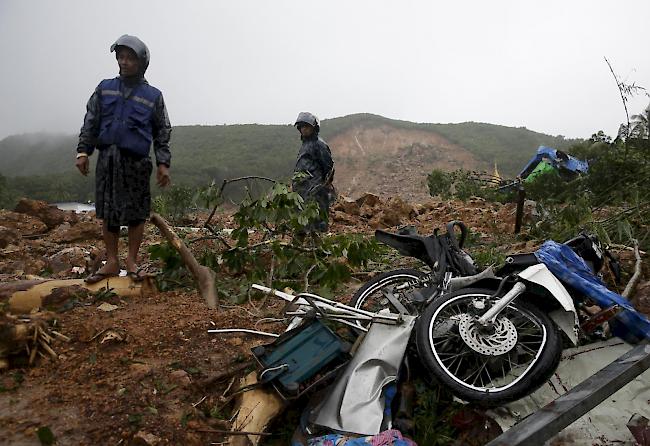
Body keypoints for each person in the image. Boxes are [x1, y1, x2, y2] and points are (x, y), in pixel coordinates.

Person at [75, 34, 172, 283]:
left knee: (136, 213)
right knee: (108, 211)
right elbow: (91, 120)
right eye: (121, 56)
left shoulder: (153, 96)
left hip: (136, 162)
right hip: (107, 158)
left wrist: (163, 163)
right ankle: (112, 261)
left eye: (130, 58)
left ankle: (131, 261)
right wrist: (84, 151)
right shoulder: (104, 87)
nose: (124, 62)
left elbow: (162, 131)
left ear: (141, 63)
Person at [291, 112, 335, 232]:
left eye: (307, 126)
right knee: (302, 222)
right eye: (301, 127)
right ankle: (301, 247)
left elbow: (329, 167)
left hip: (315, 189)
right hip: (302, 189)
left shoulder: (319, 144)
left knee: (317, 221)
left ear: (314, 127)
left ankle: (319, 248)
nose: (304, 129)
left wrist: (323, 186)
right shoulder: (305, 145)